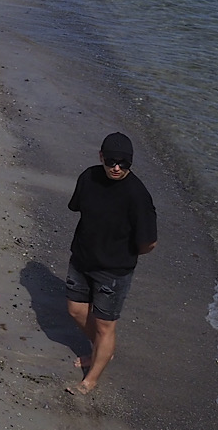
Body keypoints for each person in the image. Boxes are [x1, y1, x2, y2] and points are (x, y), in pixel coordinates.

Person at [64, 132, 158, 395]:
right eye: (112, 161)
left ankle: (90, 380)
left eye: (124, 163)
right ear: (101, 157)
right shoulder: (89, 177)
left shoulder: (138, 196)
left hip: (114, 271)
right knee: (75, 310)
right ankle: (102, 352)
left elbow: (149, 243)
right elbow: (78, 208)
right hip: (81, 259)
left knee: (105, 324)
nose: (117, 167)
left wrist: (122, 255)